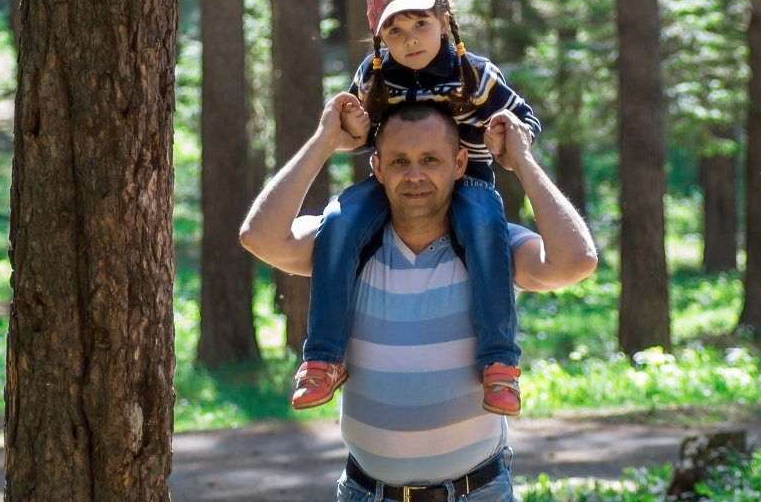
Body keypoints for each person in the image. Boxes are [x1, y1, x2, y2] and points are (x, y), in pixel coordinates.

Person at [239, 99, 597, 502]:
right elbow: (260, 237)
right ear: (376, 167)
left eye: (430, 159)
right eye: (398, 162)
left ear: (460, 164)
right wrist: (324, 141)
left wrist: (524, 161)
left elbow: (576, 261)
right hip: (366, 493)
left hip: (477, 493)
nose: (415, 175)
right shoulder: (347, 245)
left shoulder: (491, 249)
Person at [293, 0, 544, 417]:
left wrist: (506, 133)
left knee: (486, 228)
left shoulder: (476, 75)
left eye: (420, 24)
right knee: (338, 220)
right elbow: (361, 137)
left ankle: (500, 363)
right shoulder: (374, 76)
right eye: (395, 30)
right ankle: (324, 357)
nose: (410, 39)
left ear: (445, 20)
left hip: (468, 182)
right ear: (379, 40)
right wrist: (349, 130)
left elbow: (528, 121)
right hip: (389, 183)